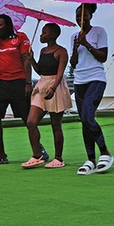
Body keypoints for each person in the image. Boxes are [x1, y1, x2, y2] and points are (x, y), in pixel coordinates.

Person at [0, 14, 46, 166]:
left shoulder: (20, 37)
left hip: (18, 82)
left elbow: (26, 60)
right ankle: (1, 155)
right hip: (0, 83)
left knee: (27, 119)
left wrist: (27, 82)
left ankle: (39, 151)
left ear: (8, 25)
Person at [70, 2, 113, 175]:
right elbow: (73, 64)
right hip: (79, 81)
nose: (80, 18)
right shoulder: (74, 35)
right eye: (77, 15)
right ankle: (90, 159)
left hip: (96, 78)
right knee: (84, 121)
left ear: (90, 16)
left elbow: (102, 57)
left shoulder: (99, 31)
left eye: (84, 15)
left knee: (88, 116)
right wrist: (75, 47)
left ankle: (105, 152)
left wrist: (86, 44)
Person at [22, 22, 72, 169]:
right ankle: (37, 155)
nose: (41, 35)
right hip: (42, 84)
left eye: (44, 32)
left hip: (55, 86)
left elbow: (60, 73)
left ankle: (58, 158)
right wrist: (31, 59)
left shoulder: (61, 51)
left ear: (53, 35)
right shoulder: (43, 51)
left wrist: (53, 88)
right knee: (31, 122)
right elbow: (40, 71)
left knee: (56, 124)